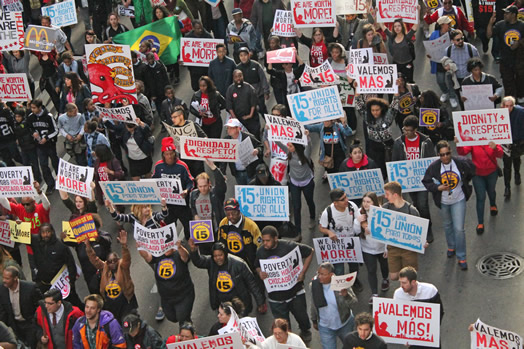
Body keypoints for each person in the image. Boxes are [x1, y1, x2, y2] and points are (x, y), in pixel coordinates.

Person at [422, 140, 475, 270]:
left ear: (451, 152)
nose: (445, 157)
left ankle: (462, 257)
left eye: (447, 154)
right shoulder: (434, 167)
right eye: (442, 155)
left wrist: (465, 182)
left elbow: (471, 170)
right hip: (444, 202)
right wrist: (437, 187)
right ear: (438, 156)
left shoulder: (460, 163)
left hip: (458, 200)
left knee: (459, 229)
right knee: (447, 225)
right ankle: (451, 246)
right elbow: (426, 181)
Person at [255, 226, 314, 342]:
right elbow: (257, 265)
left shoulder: (289, 246)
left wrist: (303, 272)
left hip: (295, 293)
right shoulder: (260, 252)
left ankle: (305, 331)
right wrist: (260, 273)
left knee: (302, 317)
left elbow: (310, 252)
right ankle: (288, 341)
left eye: (268, 240)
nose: (265, 243)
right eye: (263, 240)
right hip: (276, 298)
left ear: (275, 238)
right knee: (282, 325)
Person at [189, 241, 266, 316]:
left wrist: (260, 302)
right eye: (215, 256)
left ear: (225, 254)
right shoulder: (211, 262)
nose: (218, 258)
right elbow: (198, 262)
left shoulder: (239, 264)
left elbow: (252, 284)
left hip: (238, 303)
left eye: (220, 255)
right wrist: (194, 251)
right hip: (222, 303)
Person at [392, 115, 436, 242]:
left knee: (423, 204)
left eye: (409, 130)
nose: (406, 132)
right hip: (408, 180)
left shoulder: (426, 141)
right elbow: (395, 161)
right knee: (415, 204)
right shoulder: (399, 143)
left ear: (415, 130)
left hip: (422, 179)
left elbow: (431, 159)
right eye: (404, 130)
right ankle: (420, 227)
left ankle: (428, 229)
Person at [138, 240, 194, 325]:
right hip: (167, 297)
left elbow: (185, 257)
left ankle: (188, 331)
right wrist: (140, 246)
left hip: (183, 295)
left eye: (168, 246)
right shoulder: (159, 256)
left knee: (182, 318)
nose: (165, 249)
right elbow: (147, 257)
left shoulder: (178, 254)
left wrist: (179, 247)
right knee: (172, 317)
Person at [86, 230, 138, 321]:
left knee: (129, 322)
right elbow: (94, 259)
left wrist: (124, 246)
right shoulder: (105, 268)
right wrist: (88, 246)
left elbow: (127, 259)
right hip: (112, 305)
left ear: (118, 260)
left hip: (126, 302)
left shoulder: (122, 267)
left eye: (115, 260)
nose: (112, 263)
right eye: (110, 261)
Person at [29, 223, 83, 308]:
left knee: (73, 303)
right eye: (43, 232)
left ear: (52, 232)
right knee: (51, 306)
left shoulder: (61, 246)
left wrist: (71, 282)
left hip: (61, 284)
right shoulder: (36, 242)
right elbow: (22, 237)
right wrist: (18, 225)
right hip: (45, 284)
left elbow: (71, 264)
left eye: (48, 232)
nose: (45, 235)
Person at [382, 182, 427, 279]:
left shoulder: (412, 210)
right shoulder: (385, 208)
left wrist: (423, 242)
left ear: (395, 195)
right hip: (393, 248)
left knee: (409, 276)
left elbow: (419, 231)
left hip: (408, 249)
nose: (385, 197)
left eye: (387, 194)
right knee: (393, 277)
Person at [319, 189, 362, 289]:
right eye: (343, 199)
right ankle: (341, 288)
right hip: (336, 244)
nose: (346, 200)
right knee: (339, 269)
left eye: (346, 197)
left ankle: (354, 281)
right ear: (335, 202)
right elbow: (321, 227)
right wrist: (329, 232)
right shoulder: (328, 212)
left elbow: (358, 219)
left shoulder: (352, 206)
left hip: (351, 241)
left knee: (354, 266)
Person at [457, 140, 503, 234]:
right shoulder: (473, 141)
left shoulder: (493, 139)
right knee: (480, 197)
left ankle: (493, 204)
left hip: (491, 173)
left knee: (491, 191)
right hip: (477, 174)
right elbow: (463, 152)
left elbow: (500, 154)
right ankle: (480, 222)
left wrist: (495, 148)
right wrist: (458, 144)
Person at [152, 137, 194, 240]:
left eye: (171, 153)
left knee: (188, 226)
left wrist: (186, 190)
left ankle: (190, 244)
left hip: (182, 204)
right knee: (169, 229)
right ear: (163, 155)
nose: (169, 156)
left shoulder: (182, 166)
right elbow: (153, 182)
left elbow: (190, 182)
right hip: (168, 205)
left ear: (175, 153)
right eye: (167, 154)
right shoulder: (158, 166)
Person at [394, 267, 444, 349]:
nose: (401, 286)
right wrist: (404, 336)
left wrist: (432, 330)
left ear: (413, 282)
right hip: (413, 338)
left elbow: (439, 313)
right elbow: (398, 317)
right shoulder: (398, 294)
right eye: (400, 283)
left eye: (404, 283)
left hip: (430, 336)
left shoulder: (430, 290)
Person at [310, 263, 357, 349]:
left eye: (322, 274)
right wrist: (314, 319)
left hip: (344, 325)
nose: (319, 276)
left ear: (331, 275)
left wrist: (346, 295)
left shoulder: (342, 284)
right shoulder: (314, 285)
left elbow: (353, 303)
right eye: (318, 273)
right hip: (325, 327)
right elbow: (313, 303)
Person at [275, 138, 315, 236]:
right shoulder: (288, 152)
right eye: (288, 146)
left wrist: (308, 137)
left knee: (309, 201)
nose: (288, 147)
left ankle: (312, 217)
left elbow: (309, 146)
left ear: (296, 146)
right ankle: (298, 232)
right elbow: (278, 142)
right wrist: (269, 131)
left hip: (307, 183)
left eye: (291, 146)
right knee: (296, 207)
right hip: (294, 184)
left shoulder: (305, 155)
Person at [487, 5, 524, 103]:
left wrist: (519, 42)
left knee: (520, 80)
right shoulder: (500, 25)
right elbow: (489, 35)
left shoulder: (522, 26)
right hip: (505, 60)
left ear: (513, 15)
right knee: (508, 82)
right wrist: (490, 23)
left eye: (507, 13)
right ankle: (510, 102)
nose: (504, 15)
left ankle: (520, 96)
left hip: (519, 60)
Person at [355, 96, 397, 178]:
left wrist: (396, 94)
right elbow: (359, 106)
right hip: (374, 147)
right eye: (373, 110)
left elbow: (394, 106)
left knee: (390, 169)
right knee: (377, 170)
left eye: (377, 110)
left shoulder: (387, 117)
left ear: (382, 109)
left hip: (387, 146)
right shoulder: (367, 117)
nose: (375, 112)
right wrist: (357, 93)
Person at [358, 192, 389, 304]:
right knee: (371, 270)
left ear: (374, 202)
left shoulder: (382, 213)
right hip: (367, 248)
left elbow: (387, 232)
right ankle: (374, 294)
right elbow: (355, 230)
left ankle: (385, 278)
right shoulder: (359, 212)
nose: (365, 204)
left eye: (368, 202)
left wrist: (387, 248)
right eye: (364, 201)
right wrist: (358, 221)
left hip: (380, 247)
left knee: (384, 265)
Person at [0, 266, 42, 348]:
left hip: (30, 324)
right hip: (15, 325)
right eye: (3, 277)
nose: (4, 280)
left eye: (7, 278)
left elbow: (40, 306)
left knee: (32, 345)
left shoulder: (30, 287)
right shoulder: (2, 289)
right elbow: (3, 311)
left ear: (15, 278)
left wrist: (35, 322)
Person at [217, 198, 262, 274]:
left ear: (238, 211)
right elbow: (220, 243)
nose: (231, 217)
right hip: (230, 264)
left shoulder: (251, 226)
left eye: (233, 213)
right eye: (228, 214)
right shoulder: (223, 223)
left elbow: (260, 247)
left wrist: (257, 266)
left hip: (248, 266)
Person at [189, 159, 227, 242]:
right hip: (202, 230)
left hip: (216, 229)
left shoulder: (215, 193)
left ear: (209, 184)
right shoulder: (194, 195)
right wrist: (195, 215)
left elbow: (221, 185)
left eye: (205, 186)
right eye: (200, 186)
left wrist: (214, 168)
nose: (203, 189)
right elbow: (192, 207)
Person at [27, 99, 60, 195]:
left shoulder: (48, 116)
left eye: (34, 108)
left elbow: (55, 130)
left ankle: (60, 179)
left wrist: (47, 138)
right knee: (43, 165)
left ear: (40, 107)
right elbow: (29, 128)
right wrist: (33, 133)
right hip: (39, 146)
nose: (32, 110)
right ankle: (50, 184)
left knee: (55, 162)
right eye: (31, 107)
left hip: (50, 145)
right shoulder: (30, 117)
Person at [306, 115, 353, 179]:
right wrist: (297, 122)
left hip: (339, 155)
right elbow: (310, 128)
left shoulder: (338, 126)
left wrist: (345, 125)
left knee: (341, 173)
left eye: (327, 121)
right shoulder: (321, 126)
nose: (325, 122)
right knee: (331, 175)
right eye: (324, 120)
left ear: (332, 121)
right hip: (327, 157)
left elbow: (349, 133)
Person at [220, 118, 263, 184]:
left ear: (238, 128)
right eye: (228, 128)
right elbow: (224, 158)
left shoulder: (248, 137)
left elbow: (260, 146)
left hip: (250, 172)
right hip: (237, 173)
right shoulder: (226, 140)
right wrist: (223, 173)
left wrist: (257, 150)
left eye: (231, 128)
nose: (229, 130)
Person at [445, 29, 480, 107]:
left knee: (473, 99)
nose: (461, 41)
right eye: (458, 40)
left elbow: (478, 62)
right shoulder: (448, 50)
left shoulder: (471, 49)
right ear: (452, 41)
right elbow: (445, 62)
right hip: (457, 80)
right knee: (461, 99)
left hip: (470, 79)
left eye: (462, 38)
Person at [169, 106, 207, 177]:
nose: (172, 119)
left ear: (181, 116)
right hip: (184, 160)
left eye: (175, 117)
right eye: (172, 117)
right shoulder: (172, 129)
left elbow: (204, 137)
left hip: (196, 159)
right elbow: (169, 143)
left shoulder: (192, 124)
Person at [225, 70, 261, 138]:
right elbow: (229, 106)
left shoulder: (249, 87)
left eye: (240, 76)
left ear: (243, 76)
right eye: (236, 77)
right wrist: (235, 118)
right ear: (233, 77)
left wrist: (250, 115)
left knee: (254, 136)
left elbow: (253, 103)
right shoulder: (230, 89)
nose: (238, 78)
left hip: (251, 119)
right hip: (239, 119)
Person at [501, 96, 524, 198]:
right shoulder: (497, 115)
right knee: (506, 166)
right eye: (506, 106)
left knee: (516, 159)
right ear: (503, 106)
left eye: (511, 106)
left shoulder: (520, 112)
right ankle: (507, 187)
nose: (508, 108)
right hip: (505, 144)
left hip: (517, 142)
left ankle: (517, 173)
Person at [428, 16, 454, 106]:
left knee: (450, 80)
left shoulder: (453, 33)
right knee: (440, 80)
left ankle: (452, 96)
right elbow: (430, 47)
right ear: (442, 25)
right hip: (438, 62)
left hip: (450, 61)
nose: (450, 25)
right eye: (448, 23)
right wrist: (429, 54)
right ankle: (445, 92)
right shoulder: (434, 34)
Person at [237, 47, 270, 115]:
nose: (243, 57)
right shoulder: (238, 68)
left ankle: (268, 123)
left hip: (258, 93)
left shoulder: (256, 65)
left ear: (248, 55)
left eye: (245, 55)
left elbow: (263, 78)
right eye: (241, 55)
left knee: (262, 109)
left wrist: (266, 91)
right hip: (246, 95)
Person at [13, 107, 42, 183]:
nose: (17, 118)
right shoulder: (16, 124)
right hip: (23, 147)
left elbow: (20, 128)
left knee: (35, 163)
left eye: (19, 116)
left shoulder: (25, 123)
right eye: (16, 116)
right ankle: (30, 179)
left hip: (31, 146)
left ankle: (38, 178)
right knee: (25, 164)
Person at [0, 102, 22, 167]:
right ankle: (15, 176)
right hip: (1, 143)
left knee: (17, 157)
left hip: (10, 139)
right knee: (8, 161)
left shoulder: (4, 111)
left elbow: (13, 123)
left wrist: (17, 136)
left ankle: (31, 168)